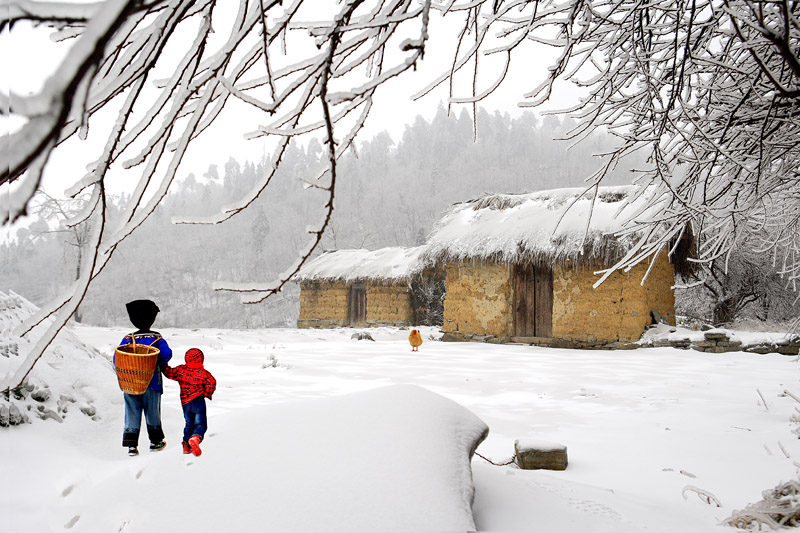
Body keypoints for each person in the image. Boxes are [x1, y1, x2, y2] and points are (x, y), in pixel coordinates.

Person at [117, 299, 173, 456]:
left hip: (130, 383)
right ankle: (155, 441)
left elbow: (117, 357)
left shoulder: (128, 339)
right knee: (152, 411)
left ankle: (131, 445)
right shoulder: (156, 338)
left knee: (131, 411)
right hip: (152, 383)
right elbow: (166, 354)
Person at [162, 348, 217, 457]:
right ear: (201, 360)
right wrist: (207, 393)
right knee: (200, 424)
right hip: (198, 401)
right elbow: (212, 382)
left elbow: (169, 372)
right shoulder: (204, 373)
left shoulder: (181, 370)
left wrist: (163, 364)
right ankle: (195, 438)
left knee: (189, 424)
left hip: (186, 403)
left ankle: (186, 446)